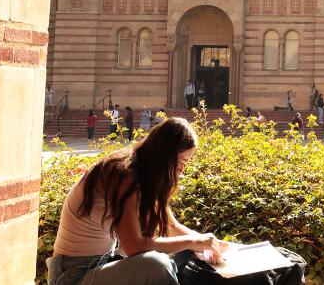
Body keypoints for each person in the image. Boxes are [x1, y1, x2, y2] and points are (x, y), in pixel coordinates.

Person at [46, 118, 235, 285]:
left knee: (186, 253)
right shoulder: (123, 174)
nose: (181, 170)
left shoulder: (142, 173)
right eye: (180, 162)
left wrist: (212, 244)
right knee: (157, 265)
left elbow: (171, 226)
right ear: (164, 156)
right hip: (74, 275)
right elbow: (134, 246)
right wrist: (194, 241)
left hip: (102, 264)